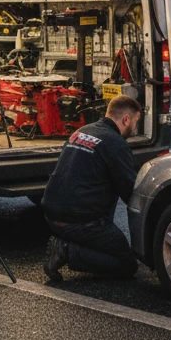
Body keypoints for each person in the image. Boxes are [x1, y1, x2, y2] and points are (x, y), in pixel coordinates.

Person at [42, 94, 142, 282]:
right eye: (135, 122)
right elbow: (129, 191)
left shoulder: (81, 131)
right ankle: (66, 250)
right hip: (79, 221)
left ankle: (69, 243)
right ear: (126, 119)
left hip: (51, 213)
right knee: (127, 264)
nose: (135, 128)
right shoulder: (117, 144)